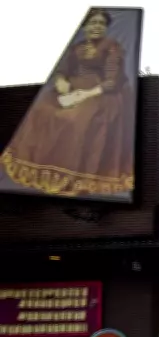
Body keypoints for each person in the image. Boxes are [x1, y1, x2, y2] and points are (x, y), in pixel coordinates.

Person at [2, 8, 135, 196]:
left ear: (106, 28)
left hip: (100, 92)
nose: (97, 27)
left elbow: (112, 81)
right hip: (73, 87)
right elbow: (63, 69)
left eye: (101, 24)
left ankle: (71, 174)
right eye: (93, 23)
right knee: (42, 110)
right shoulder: (76, 47)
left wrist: (85, 94)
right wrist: (61, 81)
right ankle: (43, 166)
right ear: (85, 26)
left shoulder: (112, 47)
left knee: (76, 119)